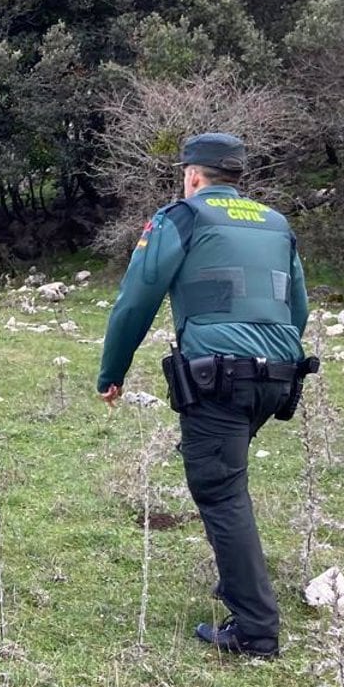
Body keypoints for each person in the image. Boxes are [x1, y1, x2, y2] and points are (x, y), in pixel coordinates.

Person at [96, 131, 311, 659]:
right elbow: (297, 309)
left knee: (219, 491)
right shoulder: (276, 224)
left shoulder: (181, 218)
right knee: (228, 477)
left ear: (193, 176)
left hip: (221, 378)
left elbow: (136, 300)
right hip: (280, 375)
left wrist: (112, 371)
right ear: (237, 178)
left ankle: (256, 629)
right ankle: (238, 583)